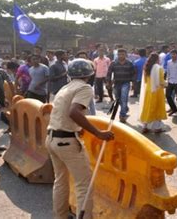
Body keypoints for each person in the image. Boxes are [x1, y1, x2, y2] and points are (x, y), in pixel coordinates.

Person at [45, 59, 114, 219]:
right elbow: (74, 112)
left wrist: (80, 128)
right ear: (89, 74)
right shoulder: (84, 87)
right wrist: (99, 133)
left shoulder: (66, 87)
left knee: (60, 181)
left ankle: (59, 216)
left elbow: (64, 114)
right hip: (67, 141)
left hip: (52, 138)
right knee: (84, 185)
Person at [139, 53, 167, 133]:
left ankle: (145, 127)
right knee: (157, 108)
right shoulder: (159, 68)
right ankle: (157, 128)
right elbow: (161, 82)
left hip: (148, 91)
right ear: (157, 59)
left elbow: (145, 81)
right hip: (157, 91)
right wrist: (167, 84)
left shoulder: (146, 68)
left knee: (148, 108)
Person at [106, 49, 135, 123]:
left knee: (124, 98)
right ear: (117, 55)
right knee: (118, 99)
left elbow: (133, 73)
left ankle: (122, 115)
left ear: (126, 55)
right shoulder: (113, 63)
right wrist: (108, 82)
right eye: (119, 54)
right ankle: (125, 108)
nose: (121, 56)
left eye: (123, 54)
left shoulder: (129, 63)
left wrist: (133, 84)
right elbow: (109, 73)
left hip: (126, 83)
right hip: (116, 83)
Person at [165, 49, 177, 117]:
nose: (173, 55)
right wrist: (167, 80)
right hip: (170, 81)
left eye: (174, 54)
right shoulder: (169, 62)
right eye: (171, 54)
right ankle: (174, 109)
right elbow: (168, 71)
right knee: (167, 95)